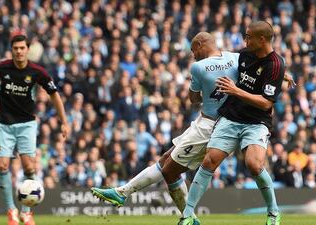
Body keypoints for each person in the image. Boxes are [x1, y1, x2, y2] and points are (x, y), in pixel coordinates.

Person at [91, 32, 240, 224]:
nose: (193, 55)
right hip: (212, 123)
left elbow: (193, 99)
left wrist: (202, 89)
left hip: (209, 126)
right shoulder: (235, 58)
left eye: (194, 50)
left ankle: (186, 217)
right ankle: (124, 192)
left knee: (169, 170)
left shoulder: (198, 67)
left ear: (202, 44)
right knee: (165, 160)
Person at [178, 21, 285, 225]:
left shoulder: (276, 66)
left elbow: (265, 103)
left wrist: (236, 91)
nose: (245, 41)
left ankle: (273, 212)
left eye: (248, 37)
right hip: (231, 116)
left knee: (254, 165)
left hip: (256, 121)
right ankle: (187, 215)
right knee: (209, 161)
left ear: (261, 39)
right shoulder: (244, 54)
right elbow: (224, 63)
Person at [0, 34, 69, 225]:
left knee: (30, 167)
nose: (19, 51)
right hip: (4, 124)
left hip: (26, 124)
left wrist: (64, 122)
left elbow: (54, 95)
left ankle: (26, 212)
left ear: (27, 49)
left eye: (22, 48)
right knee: (2, 166)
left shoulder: (37, 71)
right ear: (12, 50)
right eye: (15, 48)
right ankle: (11, 212)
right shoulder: (1, 67)